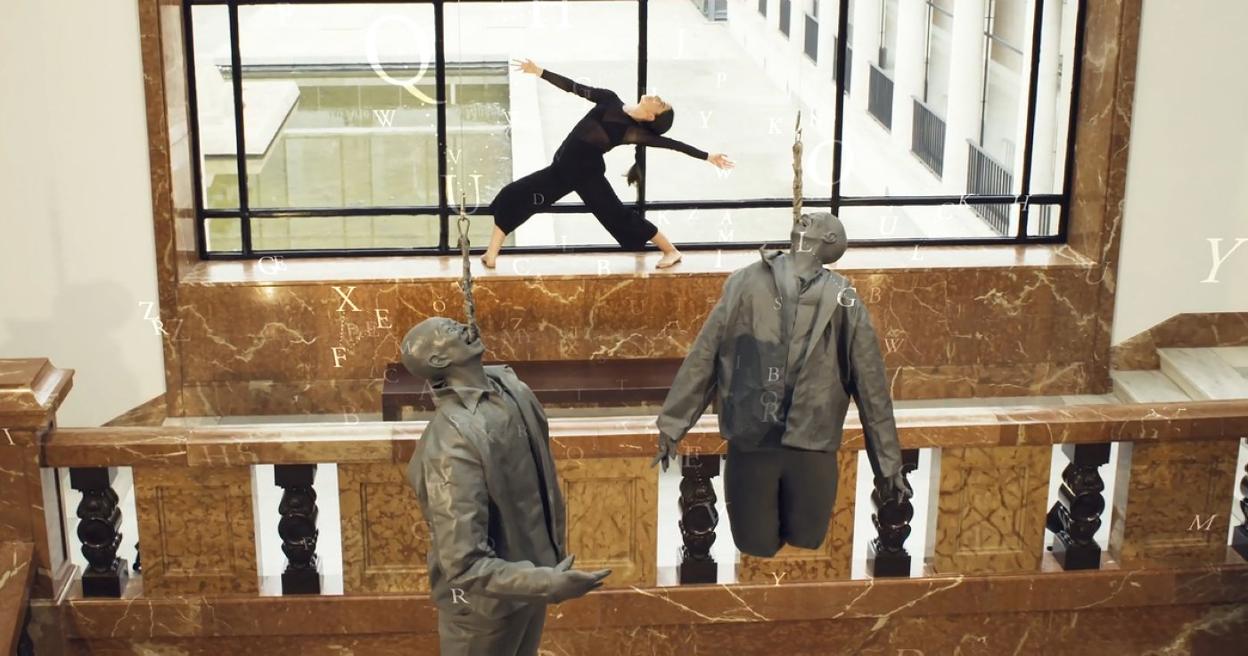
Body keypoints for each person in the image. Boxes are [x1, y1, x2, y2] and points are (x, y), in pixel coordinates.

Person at [652, 212, 912, 557]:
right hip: (751, 444)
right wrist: (672, 425)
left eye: (818, 221)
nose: (806, 217)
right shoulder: (744, 283)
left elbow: (872, 387)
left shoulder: (844, 299)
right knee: (752, 542)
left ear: (831, 242)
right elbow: (706, 355)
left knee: (807, 535)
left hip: (812, 447)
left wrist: (888, 464)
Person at [401, 317, 610, 656]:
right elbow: (464, 564)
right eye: (447, 330)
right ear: (439, 361)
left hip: (528, 589)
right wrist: (547, 584)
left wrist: (542, 578)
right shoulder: (450, 440)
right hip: (484, 611)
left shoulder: (511, 388)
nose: (461, 325)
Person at [483, 58, 735, 270]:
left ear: (650, 116)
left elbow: (673, 145)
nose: (657, 97)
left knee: (617, 216)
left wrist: (707, 155)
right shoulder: (609, 99)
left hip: (586, 175)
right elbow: (574, 87)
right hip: (562, 170)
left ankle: (671, 251)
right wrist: (539, 72)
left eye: (660, 103)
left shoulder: (633, 132)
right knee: (514, 194)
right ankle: (491, 254)